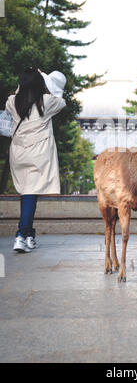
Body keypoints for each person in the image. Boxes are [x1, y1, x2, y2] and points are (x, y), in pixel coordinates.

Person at [5, 68, 66, 253]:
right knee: (30, 193)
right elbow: (60, 98)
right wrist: (46, 79)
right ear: (40, 85)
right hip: (37, 155)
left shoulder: (11, 101)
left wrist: (28, 79)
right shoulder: (46, 102)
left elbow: (19, 91)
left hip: (18, 154)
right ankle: (21, 236)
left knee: (28, 193)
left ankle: (30, 234)